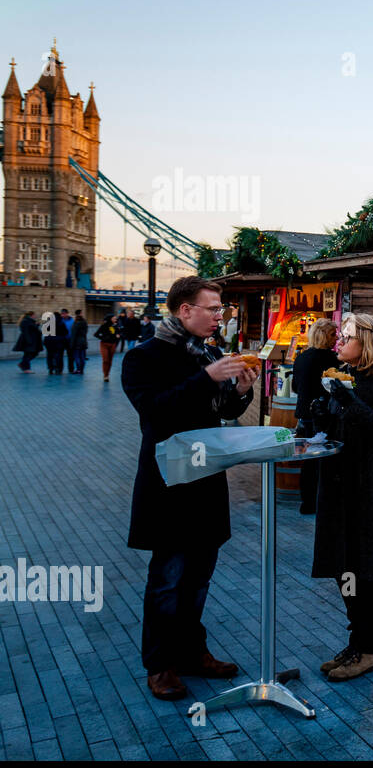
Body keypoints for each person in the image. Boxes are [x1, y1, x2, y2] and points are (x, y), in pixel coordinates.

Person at [122, 276, 258, 701]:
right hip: (168, 483)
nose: (220, 317)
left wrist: (239, 391)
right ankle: (160, 665)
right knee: (168, 577)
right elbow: (156, 411)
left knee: (199, 576)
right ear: (185, 310)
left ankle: (192, 651)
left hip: (206, 480)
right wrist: (208, 377)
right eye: (212, 309)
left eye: (221, 310)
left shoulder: (211, 353)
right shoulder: (144, 357)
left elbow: (219, 411)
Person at [312, 313, 373, 682]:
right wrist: (320, 412)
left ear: (367, 341)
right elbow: (336, 428)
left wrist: (350, 401)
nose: (339, 343)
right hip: (338, 487)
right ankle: (357, 642)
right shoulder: (341, 377)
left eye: (347, 337)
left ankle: (370, 649)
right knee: (344, 568)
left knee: (367, 572)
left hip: (371, 491)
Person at [291, 318, 339, 515]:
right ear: (323, 336)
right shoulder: (330, 359)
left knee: (307, 460)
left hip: (303, 415)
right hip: (321, 416)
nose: (336, 339)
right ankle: (320, 502)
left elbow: (295, 387)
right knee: (323, 460)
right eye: (333, 335)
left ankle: (307, 502)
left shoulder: (301, 356)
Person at [94, 312, 122, 381]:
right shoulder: (104, 325)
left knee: (110, 361)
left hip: (112, 345)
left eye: (115, 318)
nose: (115, 319)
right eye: (114, 318)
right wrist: (103, 338)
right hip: (104, 344)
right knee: (105, 360)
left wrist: (118, 336)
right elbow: (96, 334)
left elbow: (119, 334)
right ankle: (105, 375)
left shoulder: (116, 326)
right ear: (110, 319)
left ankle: (107, 375)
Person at [68, 310, 88, 374]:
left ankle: (78, 369)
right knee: (82, 356)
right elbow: (85, 333)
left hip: (77, 342)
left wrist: (71, 344)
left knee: (77, 356)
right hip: (83, 341)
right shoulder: (85, 323)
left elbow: (73, 335)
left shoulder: (75, 324)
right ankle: (82, 369)